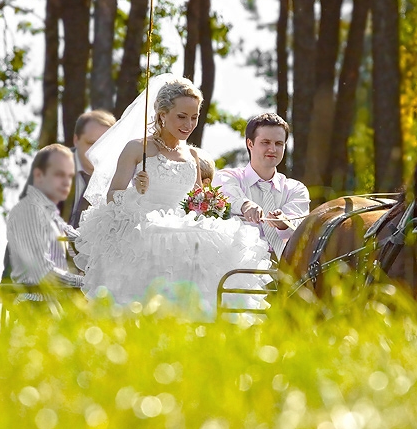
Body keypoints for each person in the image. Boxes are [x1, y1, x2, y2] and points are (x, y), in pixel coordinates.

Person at [73, 74, 271, 312]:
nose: (188, 124)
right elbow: (112, 195)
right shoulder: (137, 148)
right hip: (144, 232)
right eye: (182, 117)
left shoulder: (193, 156)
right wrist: (135, 191)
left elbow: (196, 201)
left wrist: (212, 204)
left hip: (186, 234)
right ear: (162, 114)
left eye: (194, 117)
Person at [212, 113, 310, 259]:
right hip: (239, 269)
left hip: (287, 271)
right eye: (265, 142)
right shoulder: (229, 177)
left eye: (278, 144)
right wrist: (245, 205)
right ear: (250, 144)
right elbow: (227, 194)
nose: (272, 149)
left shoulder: (296, 189)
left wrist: (284, 223)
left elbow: (300, 230)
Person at [6, 144, 83, 302]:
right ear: (39, 175)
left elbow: (81, 239)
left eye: (69, 176)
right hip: (35, 305)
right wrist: (85, 282)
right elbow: (43, 273)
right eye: (59, 175)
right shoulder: (29, 211)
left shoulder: (49, 214)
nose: (66, 182)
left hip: (53, 305)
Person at [60, 109, 116, 228]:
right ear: (76, 140)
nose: (97, 150)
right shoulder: (54, 168)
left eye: (104, 144)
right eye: (91, 143)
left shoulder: (122, 175)